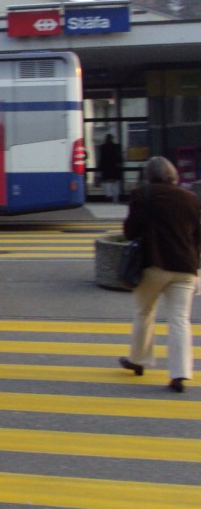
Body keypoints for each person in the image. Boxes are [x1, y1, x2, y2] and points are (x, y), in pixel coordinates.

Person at [118, 156, 201, 393]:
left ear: (148, 175)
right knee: (180, 320)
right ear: (173, 175)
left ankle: (139, 360)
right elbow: (197, 237)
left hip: (153, 265)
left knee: (145, 313)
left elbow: (131, 231)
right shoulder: (191, 199)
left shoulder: (142, 195)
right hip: (185, 267)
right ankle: (180, 373)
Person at [98, 133, 123, 202]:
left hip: (106, 169)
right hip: (115, 169)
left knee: (107, 183)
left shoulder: (103, 147)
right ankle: (115, 198)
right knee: (115, 184)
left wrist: (99, 168)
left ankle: (109, 196)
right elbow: (119, 159)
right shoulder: (116, 147)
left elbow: (102, 159)